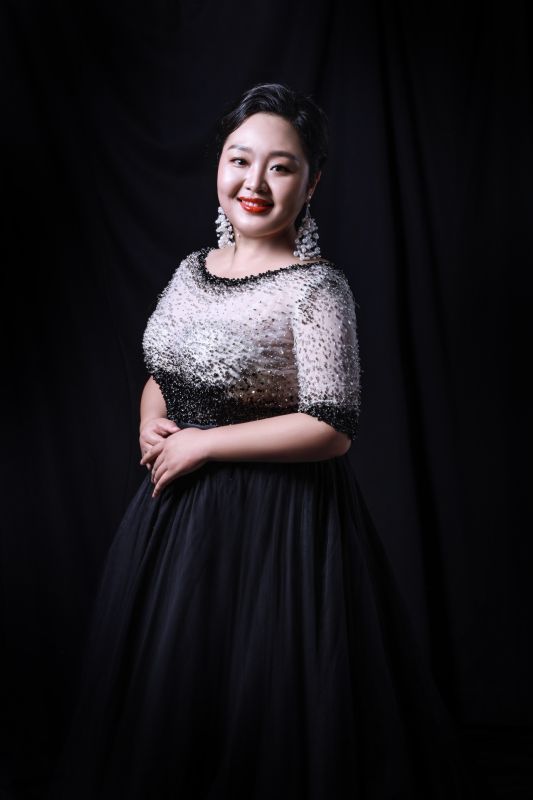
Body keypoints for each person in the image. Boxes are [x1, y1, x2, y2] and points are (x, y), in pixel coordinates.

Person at [53, 83, 466, 799]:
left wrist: (205, 446)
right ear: (219, 164)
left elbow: (331, 427)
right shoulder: (192, 270)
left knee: (268, 713)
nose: (254, 182)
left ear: (312, 183)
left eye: (280, 166)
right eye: (240, 160)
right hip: (175, 521)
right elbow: (162, 373)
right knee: (174, 706)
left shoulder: (316, 289)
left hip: (278, 526)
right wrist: (150, 421)